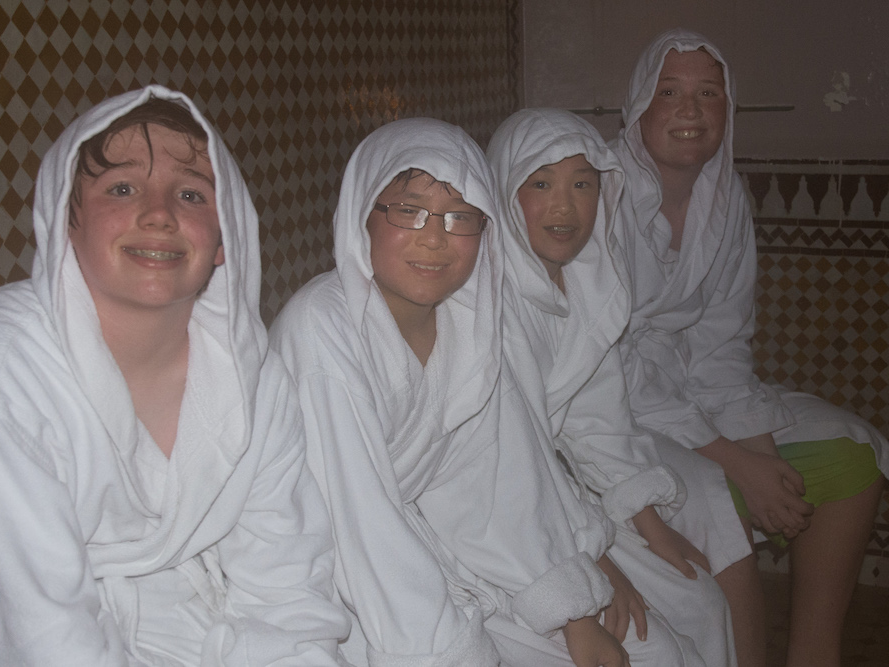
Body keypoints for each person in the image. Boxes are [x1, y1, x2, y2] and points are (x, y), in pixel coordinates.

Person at [0, 86, 349, 666]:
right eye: (122, 188)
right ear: (66, 221)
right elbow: (33, 638)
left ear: (226, 239)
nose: (159, 214)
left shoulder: (256, 379)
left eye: (190, 193)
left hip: (198, 616)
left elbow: (287, 591)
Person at [270, 117, 701, 666]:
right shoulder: (322, 331)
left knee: (658, 653)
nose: (434, 236)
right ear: (362, 212)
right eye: (409, 210)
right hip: (344, 579)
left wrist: (573, 612)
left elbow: (501, 479)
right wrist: (450, 651)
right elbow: (361, 527)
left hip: (436, 547)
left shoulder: (466, 323)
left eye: (460, 217)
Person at [611, 29, 887, 667]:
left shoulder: (724, 197)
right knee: (713, 495)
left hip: (692, 391)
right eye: (670, 92)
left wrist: (761, 456)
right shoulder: (601, 196)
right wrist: (735, 461)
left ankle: (815, 653)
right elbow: (612, 362)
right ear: (637, 109)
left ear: (727, 110)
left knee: (854, 454)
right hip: (612, 410)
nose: (691, 108)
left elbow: (723, 340)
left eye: (709, 93)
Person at [486, 107, 736, 665]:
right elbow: (507, 469)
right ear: (503, 193)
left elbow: (597, 423)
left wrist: (651, 526)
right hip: (510, 526)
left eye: (582, 184)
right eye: (541, 183)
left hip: (563, 504)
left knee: (702, 601)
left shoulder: (588, 286)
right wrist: (593, 574)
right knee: (653, 648)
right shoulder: (490, 311)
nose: (563, 205)